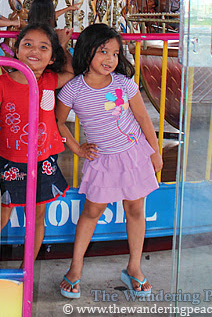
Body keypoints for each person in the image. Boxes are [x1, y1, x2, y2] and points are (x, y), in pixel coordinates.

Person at [56, 23, 162, 299]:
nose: (111, 59)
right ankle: (75, 267)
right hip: (102, 160)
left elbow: (143, 118)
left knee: (135, 209)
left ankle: (134, 267)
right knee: (92, 211)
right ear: (87, 50)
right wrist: (77, 149)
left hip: (133, 155)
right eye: (104, 51)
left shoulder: (124, 84)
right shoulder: (72, 89)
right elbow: (59, 122)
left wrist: (154, 151)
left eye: (115, 53)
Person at [0, 23, 74, 262]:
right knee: (2, 213)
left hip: (44, 160)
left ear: (52, 57)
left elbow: (71, 73)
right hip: (10, 161)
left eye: (44, 47)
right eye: (28, 44)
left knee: (37, 215)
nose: (35, 51)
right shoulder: (1, 84)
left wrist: (62, 45)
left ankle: (27, 268)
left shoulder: (50, 80)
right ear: (17, 49)